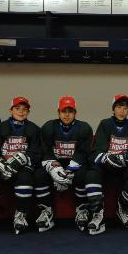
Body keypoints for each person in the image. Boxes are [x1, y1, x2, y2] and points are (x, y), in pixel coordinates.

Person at [0, 96, 43, 235]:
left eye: (24, 109)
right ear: (10, 110)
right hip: (2, 166)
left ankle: (21, 215)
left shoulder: (34, 129)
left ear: (28, 112)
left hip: (23, 169)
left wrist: (22, 159)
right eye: (17, 108)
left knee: (25, 180)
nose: (21, 112)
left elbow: (37, 151)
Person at [86, 94, 128, 235]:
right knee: (91, 175)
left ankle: (123, 207)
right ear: (113, 109)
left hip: (127, 164)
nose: (122, 110)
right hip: (108, 164)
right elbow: (97, 149)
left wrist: (126, 159)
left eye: (125, 108)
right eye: (119, 107)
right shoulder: (105, 124)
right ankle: (97, 215)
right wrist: (108, 158)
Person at [35, 95, 93, 233]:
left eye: (70, 111)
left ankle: (82, 209)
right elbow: (45, 151)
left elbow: (84, 152)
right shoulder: (48, 127)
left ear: (75, 113)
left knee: (83, 175)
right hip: (55, 162)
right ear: (58, 112)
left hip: (75, 164)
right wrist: (55, 169)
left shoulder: (84, 128)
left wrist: (69, 170)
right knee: (39, 175)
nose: (67, 115)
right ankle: (46, 211)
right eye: (64, 111)